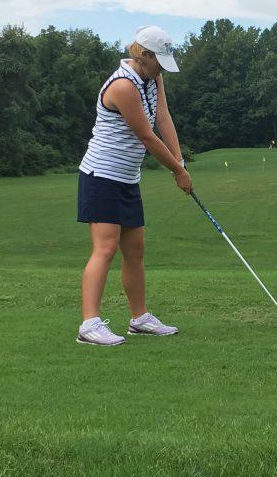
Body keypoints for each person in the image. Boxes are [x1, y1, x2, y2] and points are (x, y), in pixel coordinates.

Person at [76, 26, 192, 346]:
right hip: (101, 175)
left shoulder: (153, 78)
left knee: (135, 251)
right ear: (143, 54)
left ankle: (139, 318)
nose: (162, 68)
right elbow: (146, 136)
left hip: (127, 177)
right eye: (159, 61)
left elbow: (163, 118)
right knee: (106, 248)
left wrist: (180, 164)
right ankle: (89, 324)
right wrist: (176, 173)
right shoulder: (123, 86)